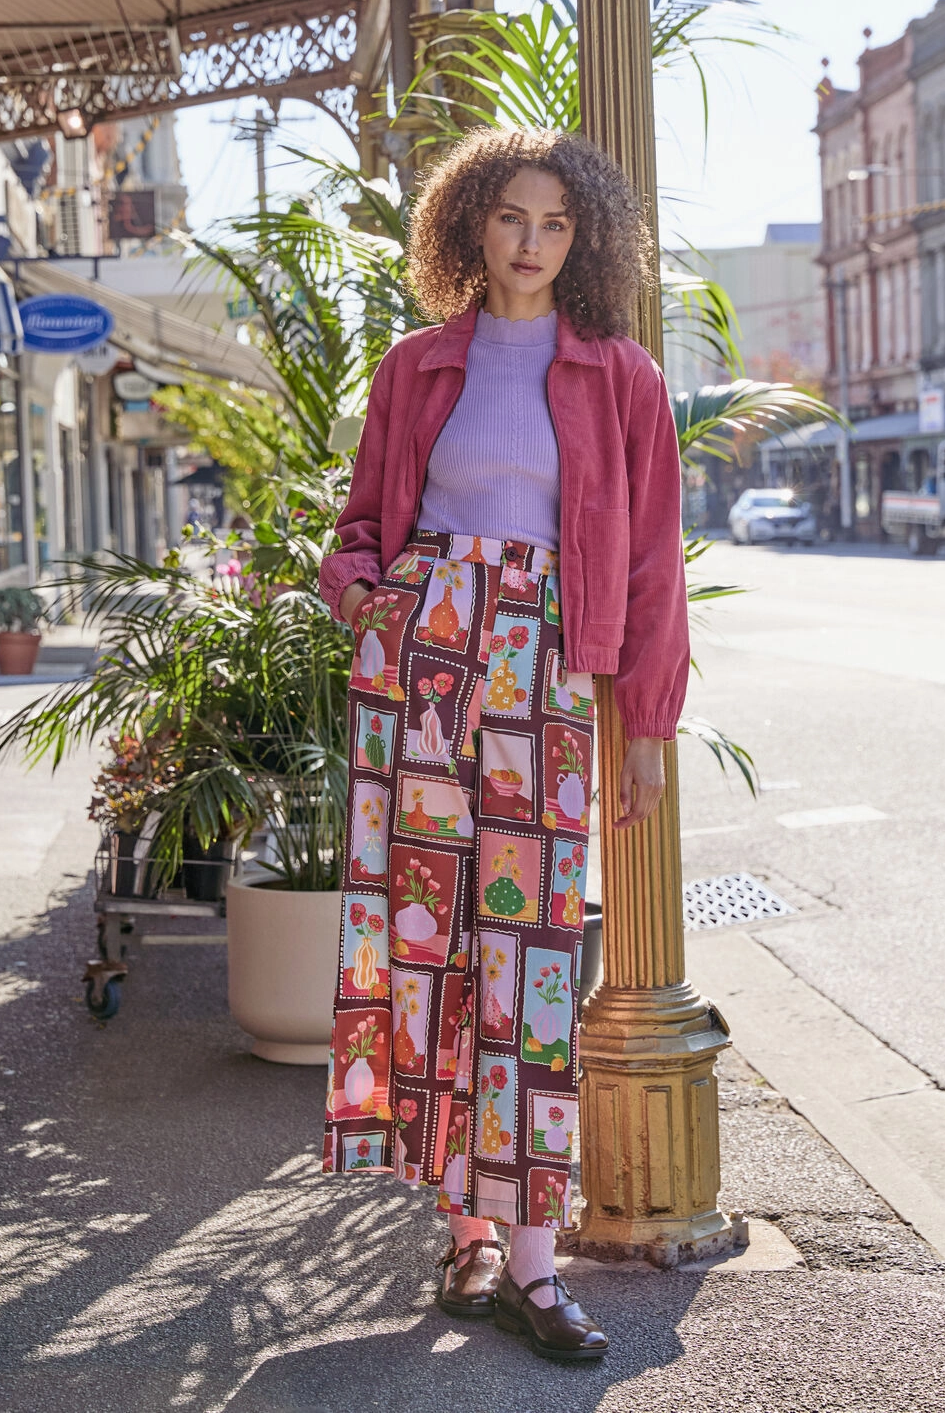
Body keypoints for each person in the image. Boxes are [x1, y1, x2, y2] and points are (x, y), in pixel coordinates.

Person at [319, 126, 689, 1363]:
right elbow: (363, 519)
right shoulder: (418, 366)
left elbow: (648, 569)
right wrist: (365, 589)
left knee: (530, 955)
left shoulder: (620, 376)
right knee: (425, 940)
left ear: (584, 239)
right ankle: (466, 1236)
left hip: (544, 665)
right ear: (467, 228)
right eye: (509, 219)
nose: (531, 244)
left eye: (555, 224)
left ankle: (531, 1258)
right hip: (421, 657)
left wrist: (645, 725)